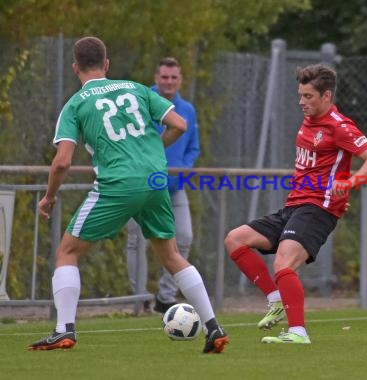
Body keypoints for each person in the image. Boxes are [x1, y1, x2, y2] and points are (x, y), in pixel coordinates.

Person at [27, 36, 228, 354]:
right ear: (107, 64)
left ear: (75, 67)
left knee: (67, 251)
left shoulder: (76, 104)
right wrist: (151, 150)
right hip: (154, 180)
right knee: (172, 255)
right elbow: (179, 124)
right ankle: (214, 327)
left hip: (116, 184)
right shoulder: (136, 89)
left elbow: (63, 161)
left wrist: (49, 196)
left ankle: (64, 329)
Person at [224, 64, 367, 344]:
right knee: (235, 239)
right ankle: (275, 300)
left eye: (308, 96)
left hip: (319, 207)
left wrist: (349, 183)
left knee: (284, 261)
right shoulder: (309, 120)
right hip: (294, 205)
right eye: (300, 95)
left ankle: (298, 332)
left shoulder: (339, 126)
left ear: (326, 96)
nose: (301, 102)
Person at [126, 57, 200, 314]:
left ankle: (166, 297)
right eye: (164, 77)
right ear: (157, 78)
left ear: (180, 80)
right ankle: (140, 298)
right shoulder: (140, 103)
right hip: (142, 184)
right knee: (137, 239)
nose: (169, 82)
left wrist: (183, 171)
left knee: (184, 237)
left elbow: (193, 147)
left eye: (174, 78)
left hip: (174, 186)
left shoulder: (187, 109)